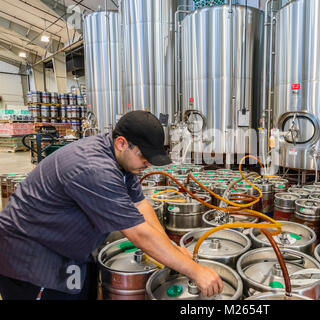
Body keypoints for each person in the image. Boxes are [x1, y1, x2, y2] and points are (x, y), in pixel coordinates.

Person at [0, 110, 223, 300]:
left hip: (70, 251)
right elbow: (138, 233)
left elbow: (141, 206)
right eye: (144, 157)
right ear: (121, 143)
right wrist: (196, 271)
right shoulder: (94, 168)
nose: (147, 165)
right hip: (33, 259)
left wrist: (171, 248)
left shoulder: (122, 161)